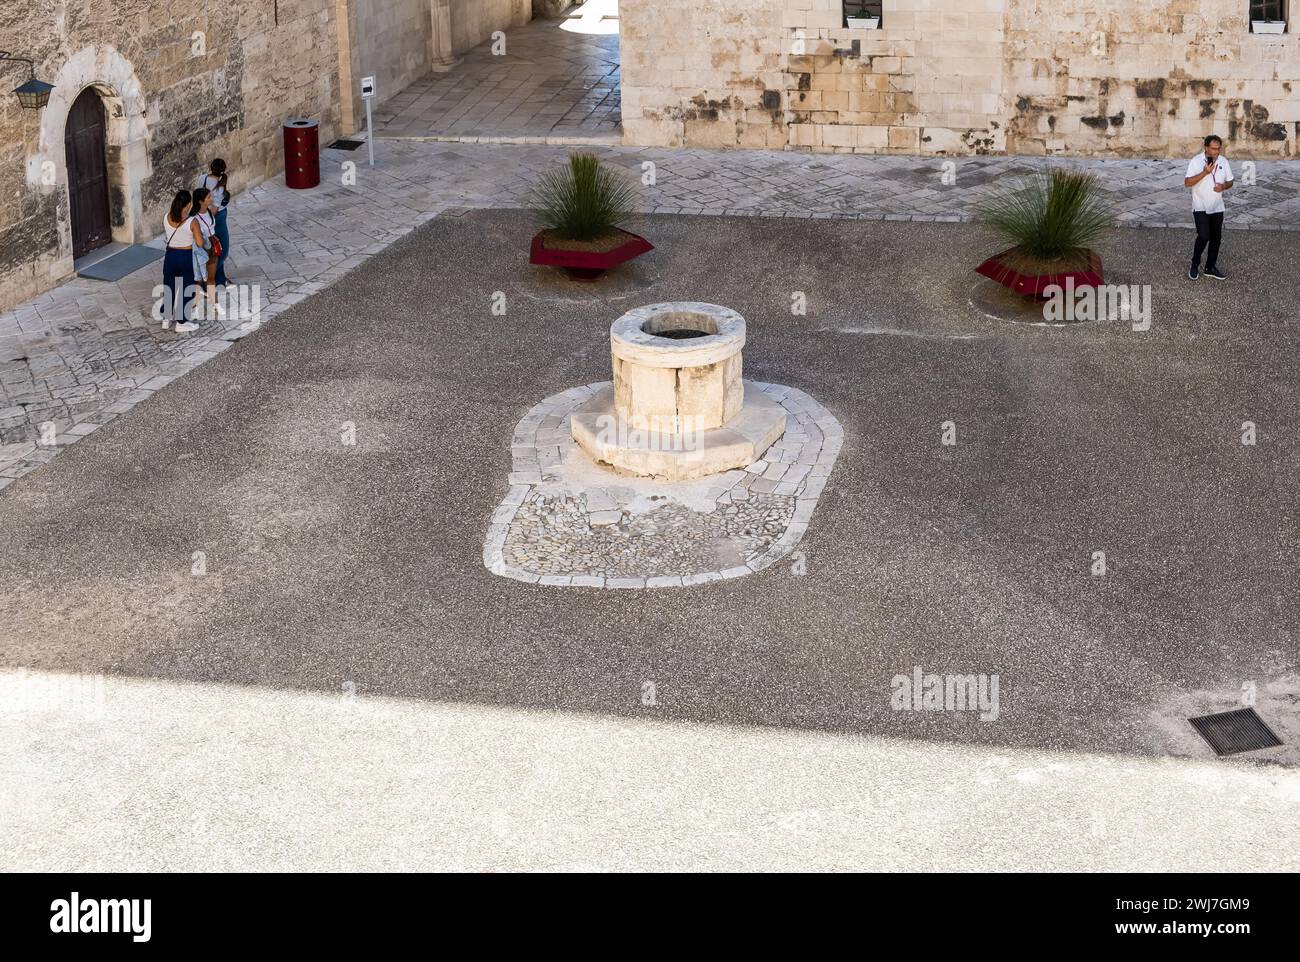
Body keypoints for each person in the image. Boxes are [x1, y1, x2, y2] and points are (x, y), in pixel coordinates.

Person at [1184, 134, 1233, 281]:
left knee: (1216, 238)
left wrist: (1223, 186)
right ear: (1206, 148)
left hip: (1217, 206)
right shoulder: (1196, 161)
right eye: (1213, 149)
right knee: (1204, 236)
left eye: (1218, 149)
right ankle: (1194, 264)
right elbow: (1187, 182)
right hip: (1200, 205)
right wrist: (1205, 172)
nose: (1216, 152)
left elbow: (1231, 181)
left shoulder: (1224, 161)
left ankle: (1210, 267)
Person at [161, 190, 203, 333]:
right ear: (189, 204)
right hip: (185, 256)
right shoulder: (192, 221)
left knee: (169, 286)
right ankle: (182, 322)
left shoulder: (166, 217)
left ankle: (166, 319)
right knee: (187, 289)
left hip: (170, 256)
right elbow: (200, 242)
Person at [189, 187, 224, 319]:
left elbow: (211, 228)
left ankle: (215, 304)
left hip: (212, 248)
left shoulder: (208, 211)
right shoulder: (194, 218)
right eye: (208, 197)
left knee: (211, 278)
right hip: (200, 251)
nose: (211, 199)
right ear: (200, 201)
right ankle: (194, 307)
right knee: (197, 281)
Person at [195, 158, 231, 286]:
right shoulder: (219, 186)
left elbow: (198, 194)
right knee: (223, 250)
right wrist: (208, 222)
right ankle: (209, 277)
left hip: (202, 214)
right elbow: (214, 210)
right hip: (217, 218)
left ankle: (220, 279)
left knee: (214, 249)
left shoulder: (202, 178)